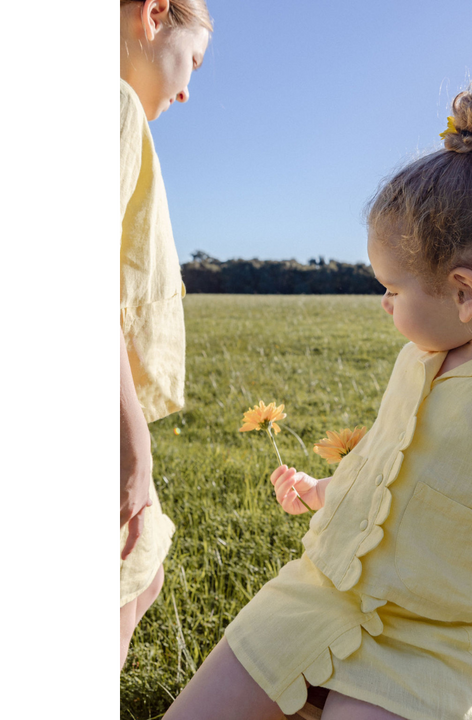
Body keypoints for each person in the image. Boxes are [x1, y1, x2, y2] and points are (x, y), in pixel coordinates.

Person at [164, 71, 472, 720]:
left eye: (393, 290)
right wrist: (323, 490)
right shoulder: (418, 360)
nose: (384, 305)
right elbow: (390, 465)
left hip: (431, 647)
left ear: (462, 293)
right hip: (319, 593)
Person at [120, 0, 212, 670]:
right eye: (194, 61)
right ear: (153, 16)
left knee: (142, 575)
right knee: (126, 582)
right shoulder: (115, 108)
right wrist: (133, 455)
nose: (185, 89)